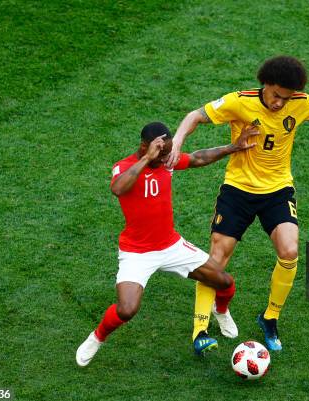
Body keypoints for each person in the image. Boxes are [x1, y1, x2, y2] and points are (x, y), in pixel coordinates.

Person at [167, 56, 309, 351]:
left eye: (286, 98)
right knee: (217, 258)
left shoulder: (302, 101)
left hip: (278, 190)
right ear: (265, 84)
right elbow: (195, 116)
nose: (281, 103)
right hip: (238, 189)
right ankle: (200, 330)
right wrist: (178, 141)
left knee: (290, 250)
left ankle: (269, 318)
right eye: (276, 96)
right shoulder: (238, 102)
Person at [76, 121, 256, 366]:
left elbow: (197, 158)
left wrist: (233, 147)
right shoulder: (124, 167)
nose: (166, 158)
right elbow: (118, 189)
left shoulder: (166, 161)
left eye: (168, 152)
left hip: (171, 247)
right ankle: (97, 338)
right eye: (161, 152)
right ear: (144, 147)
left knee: (225, 282)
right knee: (127, 309)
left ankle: (221, 311)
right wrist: (146, 160)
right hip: (137, 253)